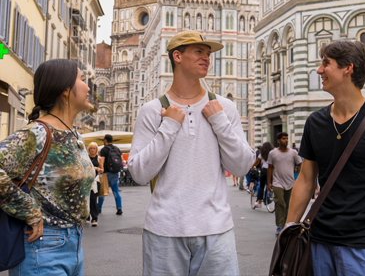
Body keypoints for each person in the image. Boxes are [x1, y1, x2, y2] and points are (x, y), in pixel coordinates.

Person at [128, 31, 255, 276]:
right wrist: (169, 126)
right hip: (164, 231)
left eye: (208, 54)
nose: (206, 58)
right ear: (177, 56)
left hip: (216, 230)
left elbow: (241, 167)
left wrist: (219, 121)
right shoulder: (152, 111)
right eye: (198, 51)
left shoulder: (223, 108)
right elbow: (140, 173)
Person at [286, 40, 365, 276]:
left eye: (326, 64)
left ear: (348, 68)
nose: (319, 70)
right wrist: (289, 231)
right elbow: (306, 181)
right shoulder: (315, 122)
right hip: (318, 242)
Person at [0, 59, 95, 276]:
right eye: (81, 80)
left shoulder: (74, 135)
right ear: (64, 89)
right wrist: (29, 211)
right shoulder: (38, 133)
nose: (88, 87)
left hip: (74, 245)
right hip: (42, 249)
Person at [267, 132, 302, 235]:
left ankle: (286, 224)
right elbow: (270, 168)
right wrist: (269, 182)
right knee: (279, 203)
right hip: (277, 182)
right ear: (278, 141)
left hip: (290, 182)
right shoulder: (273, 153)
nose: (286, 140)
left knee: (288, 204)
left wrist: (299, 178)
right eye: (283, 139)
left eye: (287, 138)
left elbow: (300, 164)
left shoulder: (293, 153)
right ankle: (279, 225)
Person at [98, 134, 123, 215]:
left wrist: (100, 170)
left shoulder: (104, 150)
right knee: (116, 190)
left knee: (103, 191)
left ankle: (99, 208)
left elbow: (102, 161)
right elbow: (121, 160)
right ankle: (119, 208)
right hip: (115, 172)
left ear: (105, 140)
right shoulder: (117, 149)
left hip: (106, 173)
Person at [87, 142, 104, 227]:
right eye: (91, 148)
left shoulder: (99, 158)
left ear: (96, 149)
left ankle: (94, 218)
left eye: (94, 148)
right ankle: (86, 216)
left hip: (95, 181)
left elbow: (102, 170)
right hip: (87, 180)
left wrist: (97, 168)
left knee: (93, 199)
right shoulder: (86, 157)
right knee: (86, 199)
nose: (92, 150)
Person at [252, 142, 274, 209]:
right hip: (271, 170)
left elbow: (257, 161)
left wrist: (252, 167)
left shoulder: (262, 153)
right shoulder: (273, 153)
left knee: (261, 186)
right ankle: (271, 196)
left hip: (264, 170)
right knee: (270, 183)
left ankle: (259, 201)